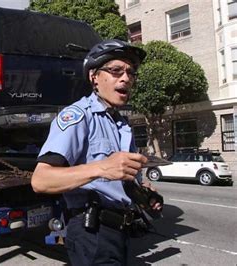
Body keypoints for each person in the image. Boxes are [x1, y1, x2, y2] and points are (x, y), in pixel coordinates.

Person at [31, 39, 163, 265]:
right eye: (115, 70)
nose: (126, 78)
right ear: (94, 77)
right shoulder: (77, 116)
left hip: (119, 232)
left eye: (131, 73)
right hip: (91, 233)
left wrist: (144, 195)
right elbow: (41, 180)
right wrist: (103, 167)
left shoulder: (122, 125)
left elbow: (120, 181)